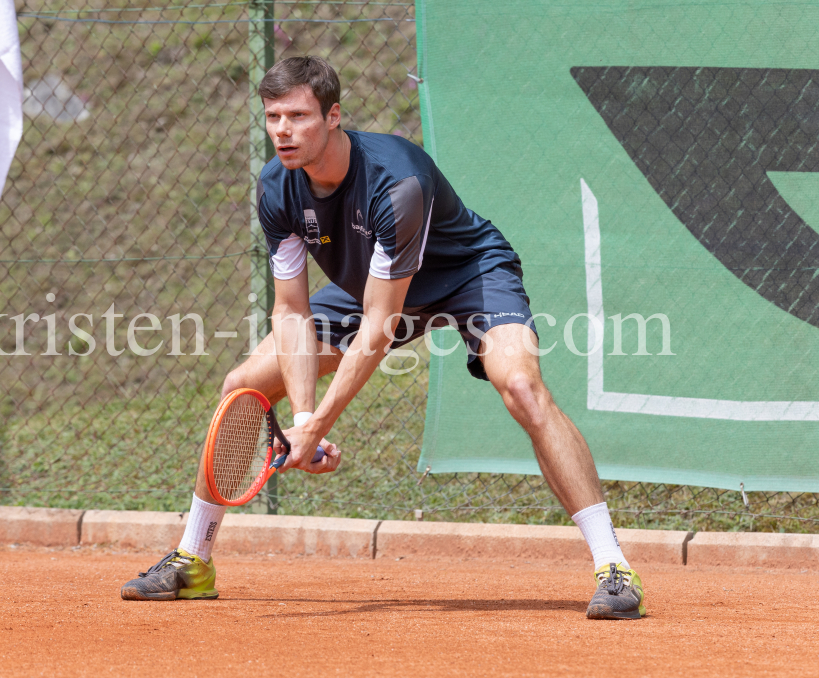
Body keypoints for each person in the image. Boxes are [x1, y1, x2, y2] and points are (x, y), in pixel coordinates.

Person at [120, 56, 645, 620]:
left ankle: (614, 569)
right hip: (370, 283)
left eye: (297, 115)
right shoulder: (276, 187)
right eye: (273, 116)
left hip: (466, 275)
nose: (282, 130)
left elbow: (379, 327)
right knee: (242, 382)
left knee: (520, 386)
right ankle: (192, 560)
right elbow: (292, 310)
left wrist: (321, 424)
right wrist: (301, 420)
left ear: (334, 116)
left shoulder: (397, 182)